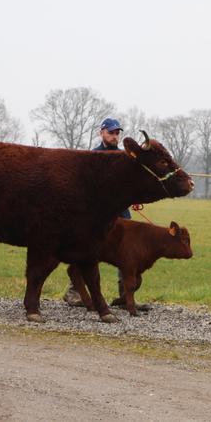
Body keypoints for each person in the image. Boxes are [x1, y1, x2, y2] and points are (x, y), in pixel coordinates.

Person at [62, 117, 145, 309]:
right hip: (95, 213)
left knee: (127, 252)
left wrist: (135, 196)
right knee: (87, 250)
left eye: (117, 133)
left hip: (120, 212)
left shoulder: (125, 157)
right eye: (111, 132)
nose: (115, 136)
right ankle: (74, 292)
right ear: (102, 133)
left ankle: (126, 297)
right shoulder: (91, 157)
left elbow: (130, 184)